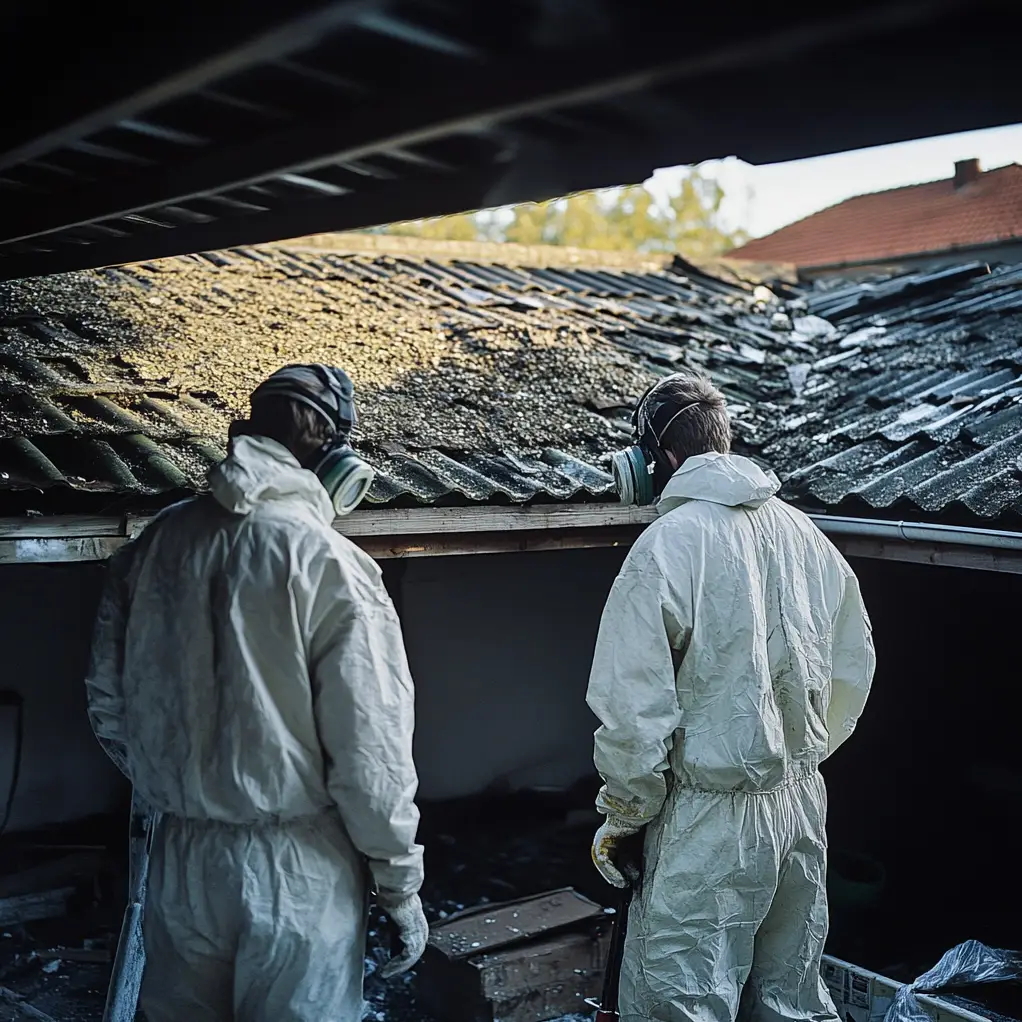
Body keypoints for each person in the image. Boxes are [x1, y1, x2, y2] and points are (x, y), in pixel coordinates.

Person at [85, 364, 427, 1022]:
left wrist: (183, 787)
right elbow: (371, 755)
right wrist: (398, 886)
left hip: (182, 866)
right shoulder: (331, 563)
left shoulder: (160, 543)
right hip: (299, 872)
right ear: (335, 459)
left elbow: (109, 703)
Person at [590, 372, 875, 1022]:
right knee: (790, 998)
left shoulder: (665, 546)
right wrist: (797, 754)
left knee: (680, 1004)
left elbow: (632, 712)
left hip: (708, 825)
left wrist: (628, 814)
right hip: (800, 805)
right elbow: (852, 665)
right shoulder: (804, 532)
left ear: (657, 458)